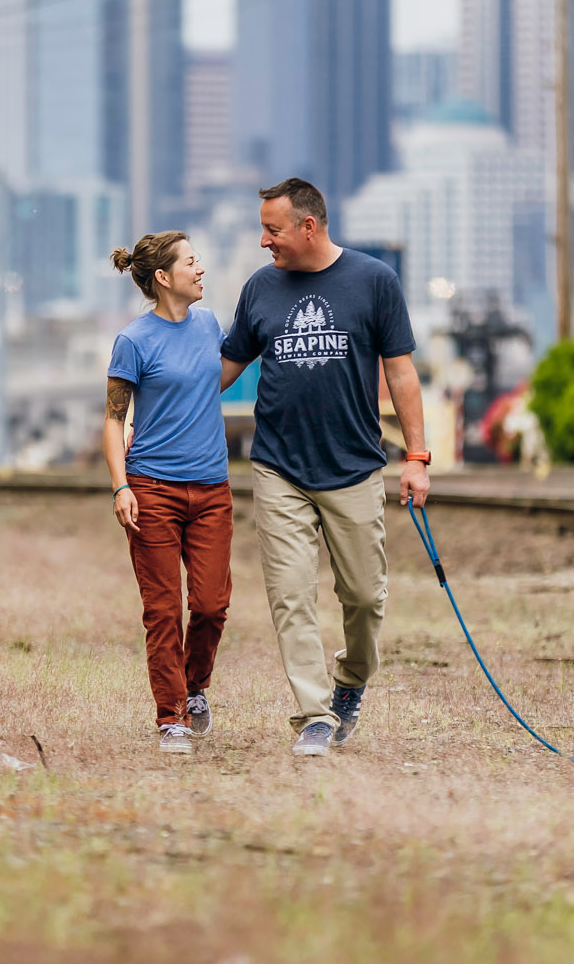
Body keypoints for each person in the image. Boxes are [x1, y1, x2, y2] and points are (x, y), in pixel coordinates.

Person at [218, 178, 430, 757]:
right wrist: (157, 404)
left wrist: (416, 457)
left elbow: (402, 373)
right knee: (290, 595)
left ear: (308, 227)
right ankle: (314, 714)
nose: (264, 241)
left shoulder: (374, 282)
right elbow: (225, 367)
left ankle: (351, 680)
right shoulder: (260, 289)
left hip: (354, 465)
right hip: (279, 467)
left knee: (364, 597)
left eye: (273, 229)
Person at [105, 232, 233, 756]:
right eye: (191, 261)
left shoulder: (208, 325)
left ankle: (195, 686)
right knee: (162, 611)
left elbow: (211, 381)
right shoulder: (134, 340)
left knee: (210, 605)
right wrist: (120, 486)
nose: (200, 269)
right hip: (152, 489)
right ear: (163, 277)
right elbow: (114, 421)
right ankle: (171, 715)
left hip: (211, 488)